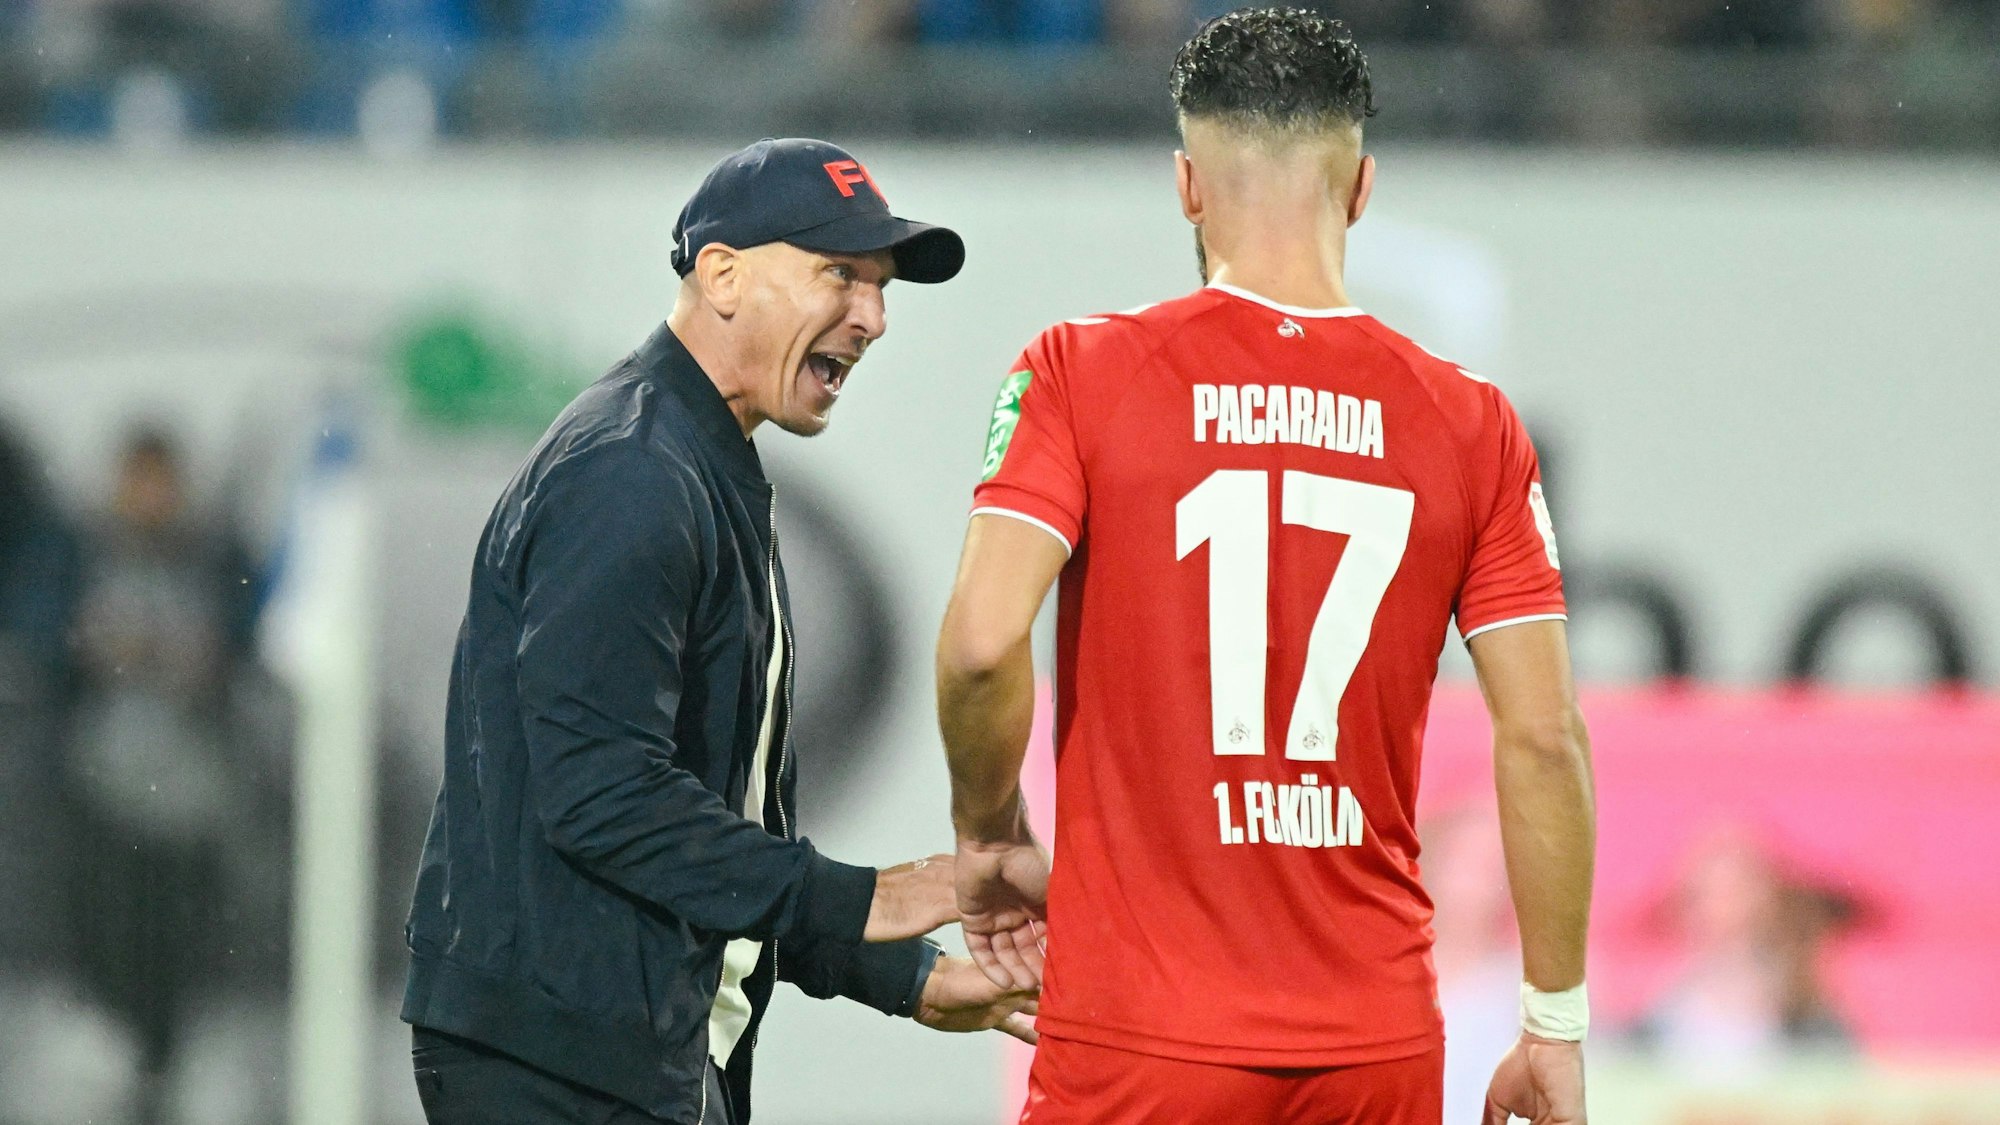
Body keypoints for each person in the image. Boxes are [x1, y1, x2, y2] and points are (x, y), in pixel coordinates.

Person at [934, 10, 1596, 1124]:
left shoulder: (1078, 372)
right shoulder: (1471, 426)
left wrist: (989, 827)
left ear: (1186, 185)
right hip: (1370, 1045)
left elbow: (981, 645)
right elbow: (1541, 737)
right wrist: (1553, 1023)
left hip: (1138, 1037)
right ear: (1362, 185)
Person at [402, 138, 1036, 1125]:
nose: (871, 317)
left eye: (879, 287)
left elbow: (703, 829)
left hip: (609, 1051)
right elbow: (601, 796)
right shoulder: (631, 475)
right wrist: (856, 899)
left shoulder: (696, 464)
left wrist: (898, 974)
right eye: (839, 274)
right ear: (723, 274)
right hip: (558, 1065)